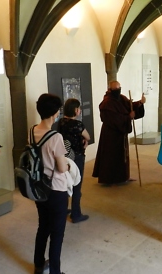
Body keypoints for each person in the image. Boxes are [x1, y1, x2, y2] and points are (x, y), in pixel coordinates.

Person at [33, 93, 68, 274]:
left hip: (39, 188)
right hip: (56, 189)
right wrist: (68, 165)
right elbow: (62, 168)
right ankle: (55, 271)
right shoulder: (55, 137)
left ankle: (38, 264)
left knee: (43, 227)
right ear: (55, 113)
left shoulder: (33, 131)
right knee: (57, 234)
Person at [92, 80, 146, 185]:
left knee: (122, 156)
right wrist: (128, 117)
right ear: (110, 90)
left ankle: (123, 177)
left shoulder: (121, 98)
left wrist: (140, 103)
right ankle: (109, 179)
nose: (118, 91)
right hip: (111, 135)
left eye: (119, 88)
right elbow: (113, 119)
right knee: (110, 156)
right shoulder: (107, 103)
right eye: (116, 89)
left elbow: (129, 106)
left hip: (121, 134)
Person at [57, 98, 91, 223]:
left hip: (64, 157)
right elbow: (87, 136)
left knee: (65, 183)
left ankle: (63, 209)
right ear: (76, 110)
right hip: (77, 157)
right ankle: (76, 214)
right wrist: (85, 142)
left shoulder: (61, 122)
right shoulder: (78, 125)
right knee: (77, 184)